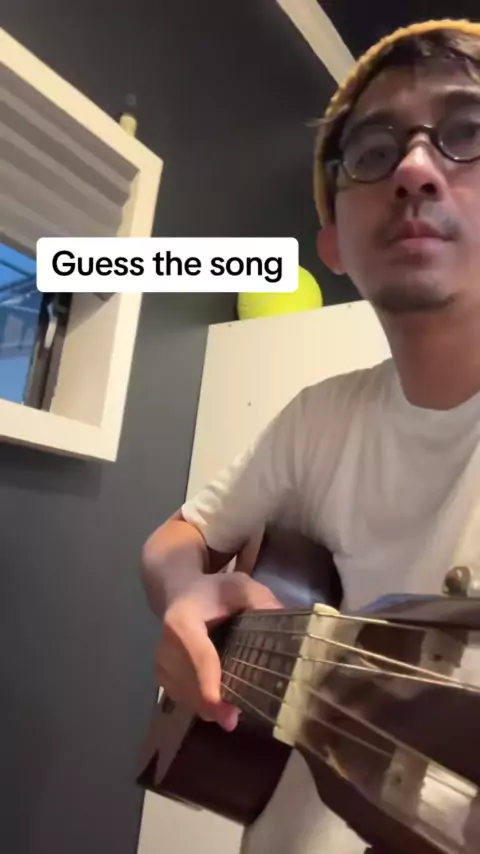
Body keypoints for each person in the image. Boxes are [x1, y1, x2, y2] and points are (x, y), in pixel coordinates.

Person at [141, 18, 480, 854]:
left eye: (469, 132)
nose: (414, 169)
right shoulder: (316, 416)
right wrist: (185, 595)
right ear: (332, 240)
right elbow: (174, 540)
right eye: (374, 150)